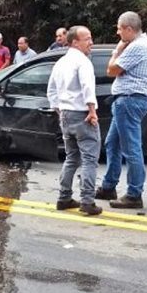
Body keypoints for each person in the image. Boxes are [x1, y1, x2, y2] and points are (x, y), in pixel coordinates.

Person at [95, 11, 147, 209]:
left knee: (131, 148)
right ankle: (109, 186)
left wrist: (117, 51)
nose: (118, 33)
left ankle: (134, 194)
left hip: (129, 100)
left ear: (129, 29)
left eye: (119, 28)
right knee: (112, 143)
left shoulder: (137, 46)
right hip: (128, 100)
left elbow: (111, 70)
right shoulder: (142, 44)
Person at [47, 25, 102, 216]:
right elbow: (88, 88)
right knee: (89, 159)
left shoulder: (60, 62)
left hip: (66, 114)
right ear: (75, 42)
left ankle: (64, 197)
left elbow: (51, 91)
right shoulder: (83, 62)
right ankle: (87, 201)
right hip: (81, 114)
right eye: (87, 39)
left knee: (71, 158)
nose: (91, 43)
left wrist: (59, 110)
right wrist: (92, 110)